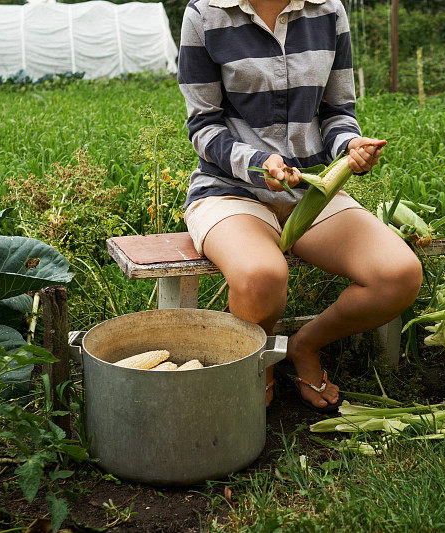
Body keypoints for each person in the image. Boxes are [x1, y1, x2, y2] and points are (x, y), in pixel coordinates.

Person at [177, 0, 422, 411]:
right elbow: (203, 125)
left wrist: (350, 148)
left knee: (399, 275)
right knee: (261, 278)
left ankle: (301, 345)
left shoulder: (328, 10)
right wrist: (258, 164)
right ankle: (260, 363)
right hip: (230, 190)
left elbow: (336, 112)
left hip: (310, 191)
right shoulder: (206, 13)